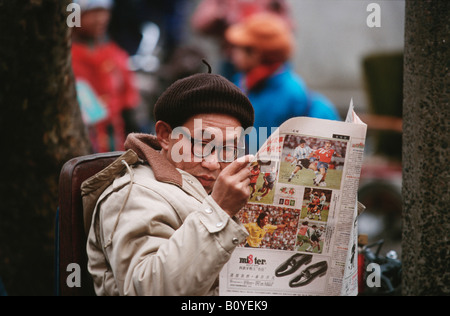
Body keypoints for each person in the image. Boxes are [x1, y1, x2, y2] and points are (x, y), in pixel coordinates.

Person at [83, 69, 256, 296]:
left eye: (229, 149)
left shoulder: (221, 186)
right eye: (202, 144)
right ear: (165, 135)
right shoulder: (134, 194)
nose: (214, 163)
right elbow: (150, 290)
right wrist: (220, 210)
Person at [225, 12, 340, 142]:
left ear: (255, 53)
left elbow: (256, 149)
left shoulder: (283, 94)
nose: (232, 54)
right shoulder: (246, 83)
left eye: (237, 48)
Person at [72, 0, 140, 153]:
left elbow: (129, 101)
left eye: (104, 12)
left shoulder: (115, 55)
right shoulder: (67, 58)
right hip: (82, 143)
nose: (100, 18)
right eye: (93, 13)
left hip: (116, 141)